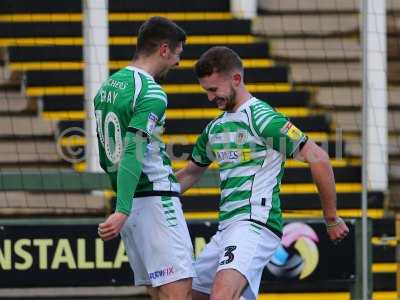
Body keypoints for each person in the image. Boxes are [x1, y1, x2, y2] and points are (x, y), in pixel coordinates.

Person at [176, 46, 349, 300]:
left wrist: (331, 217)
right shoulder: (214, 128)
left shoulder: (263, 119)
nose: (211, 98)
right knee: (186, 294)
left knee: (222, 295)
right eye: (206, 91)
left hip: (255, 223)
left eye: (214, 90)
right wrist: (148, 196)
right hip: (227, 228)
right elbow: (191, 173)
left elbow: (319, 157)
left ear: (236, 79)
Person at [95, 17, 195, 300]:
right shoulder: (152, 92)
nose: (178, 62)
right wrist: (122, 209)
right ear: (164, 49)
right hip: (154, 202)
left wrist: (124, 206)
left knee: (159, 293)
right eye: (178, 54)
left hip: (133, 207)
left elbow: (108, 154)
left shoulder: (107, 87)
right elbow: (132, 150)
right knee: (180, 294)